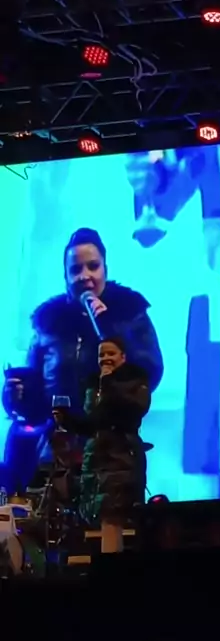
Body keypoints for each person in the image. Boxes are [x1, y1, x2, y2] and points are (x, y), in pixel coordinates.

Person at [2, 228, 163, 492]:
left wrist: (109, 329)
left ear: (105, 269)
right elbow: (35, 393)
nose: (85, 276)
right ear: (66, 277)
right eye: (76, 269)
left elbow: (149, 372)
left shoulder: (130, 314)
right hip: (57, 451)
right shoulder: (48, 324)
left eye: (93, 266)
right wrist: (16, 396)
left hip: (111, 451)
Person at [55, 337, 151, 554]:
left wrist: (109, 384)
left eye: (111, 354)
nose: (105, 358)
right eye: (101, 355)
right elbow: (94, 424)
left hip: (121, 456)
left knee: (113, 517)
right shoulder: (93, 384)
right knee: (103, 518)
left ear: (123, 357)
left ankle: (113, 570)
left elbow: (135, 410)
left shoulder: (135, 380)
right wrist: (67, 421)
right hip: (96, 458)